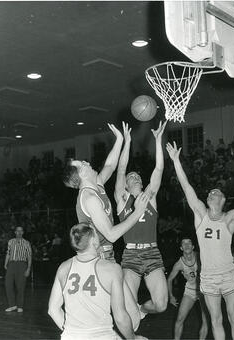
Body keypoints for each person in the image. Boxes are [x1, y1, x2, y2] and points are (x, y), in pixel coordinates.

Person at [166, 141, 234, 340]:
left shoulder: (229, 217)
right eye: (209, 192)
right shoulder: (201, 213)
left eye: (215, 193)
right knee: (216, 320)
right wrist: (176, 161)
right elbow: (186, 187)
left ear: (223, 200)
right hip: (208, 277)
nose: (211, 193)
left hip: (228, 273)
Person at [62, 122, 150, 330]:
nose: (85, 162)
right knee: (127, 317)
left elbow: (110, 166)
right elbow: (110, 235)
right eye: (81, 163)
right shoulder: (89, 197)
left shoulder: (97, 184)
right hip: (98, 259)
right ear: (81, 174)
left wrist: (120, 139)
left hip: (106, 257)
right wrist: (137, 212)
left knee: (130, 316)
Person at [48, 223, 147, 340]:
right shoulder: (112, 269)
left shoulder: (63, 268)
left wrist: (73, 332)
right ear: (93, 241)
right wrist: (133, 338)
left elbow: (53, 310)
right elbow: (120, 317)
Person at [115, 121, 168, 315]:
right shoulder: (122, 200)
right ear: (126, 186)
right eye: (131, 177)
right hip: (130, 257)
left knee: (161, 305)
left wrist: (158, 140)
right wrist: (127, 142)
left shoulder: (149, 198)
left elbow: (159, 170)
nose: (135, 177)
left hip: (153, 254)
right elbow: (120, 170)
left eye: (137, 176)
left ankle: (143, 311)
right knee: (126, 305)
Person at [167, 236, 208, 340]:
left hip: (205, 291)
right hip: (190, 291)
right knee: (180, 319)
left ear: (193, 246)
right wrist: (171, 296)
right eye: (184, 243)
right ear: (181, 248)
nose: (187, 245)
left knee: (205, 320)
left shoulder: (201, 257)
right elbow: (169, 279)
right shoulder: (179, 264)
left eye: (189, 243)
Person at [4, 226, 32, 313]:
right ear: (15, 232)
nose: (19, 232)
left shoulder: (26, 243)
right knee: (8, 284)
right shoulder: (10, 242)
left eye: (21, 231)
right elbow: (8, 253)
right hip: (11, 264)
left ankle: (20, 306)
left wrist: (28, 268)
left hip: (22, 264)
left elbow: (29, 256)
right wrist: (5, 263)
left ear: (23, 232)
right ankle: (12, 305)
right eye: (17, 231)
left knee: (20, 286)